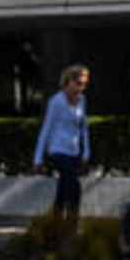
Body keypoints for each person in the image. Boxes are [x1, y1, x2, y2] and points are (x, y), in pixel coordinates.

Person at [36, 64, 93, 222]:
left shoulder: (82, 100)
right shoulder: (56, 102)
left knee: (63, 190)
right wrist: (38, 158)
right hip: (58, 150)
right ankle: (72, 224)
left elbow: (83, 128)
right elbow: (46, 128)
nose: (81, 88)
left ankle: (55, 223)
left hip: (73, 150)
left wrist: (86, 152)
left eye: (84, 84)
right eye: (78, 84)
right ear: (69, 82)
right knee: (74, 187)